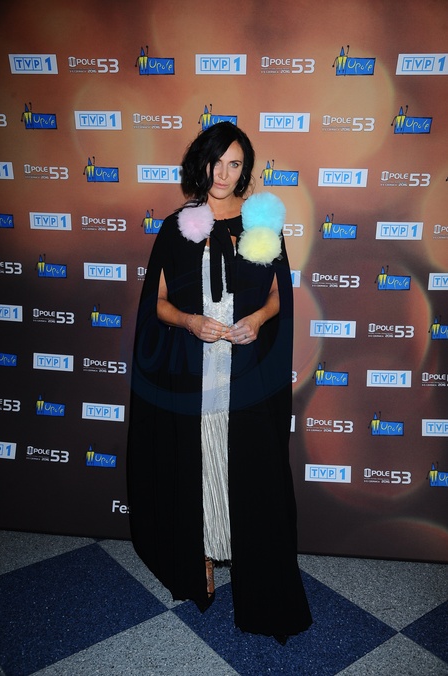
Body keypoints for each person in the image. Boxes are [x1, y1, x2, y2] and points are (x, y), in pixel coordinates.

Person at [127, 121, 312, 643]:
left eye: (235, 164)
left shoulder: (262, 223)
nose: (224, 174)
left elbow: (278, 295)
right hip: (195, 371)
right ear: (201, 164)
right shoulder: (178, 227)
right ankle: (202, 557)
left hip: (247, 372)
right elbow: (157, 303)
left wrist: (258, 319)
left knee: (249, 469)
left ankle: (254, 568)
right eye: (217, 162)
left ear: (245, 170)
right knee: (201, 463)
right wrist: (189, 321)